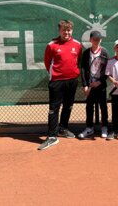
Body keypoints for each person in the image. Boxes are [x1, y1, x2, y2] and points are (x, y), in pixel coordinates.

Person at [38, 20, 82, 150]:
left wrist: (75, 73)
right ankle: (52, 136)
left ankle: (63, 128)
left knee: (68, 106)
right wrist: (56, 75)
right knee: (54, 108)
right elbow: (47, 62)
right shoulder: (52, 45)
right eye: (64, 30)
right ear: (59, 31)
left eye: (68, 30)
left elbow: (78, 61)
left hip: (72, 80)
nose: (66, 32)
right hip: (57, 82)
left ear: (71, 31)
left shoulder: (77, 45)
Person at [78, 30, 109, 139]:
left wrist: (100, 81)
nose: (96, 41)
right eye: (94, 39)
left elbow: (107, 70)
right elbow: (83, 69)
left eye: (98, 39)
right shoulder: (86, 53)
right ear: (90, 40)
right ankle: (89, 128)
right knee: (89, 107)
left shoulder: (104, 52)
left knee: (103, 107)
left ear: (101, 40)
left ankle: (104, 126)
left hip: (100, 85)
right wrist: (85, 85)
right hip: (90, 85)